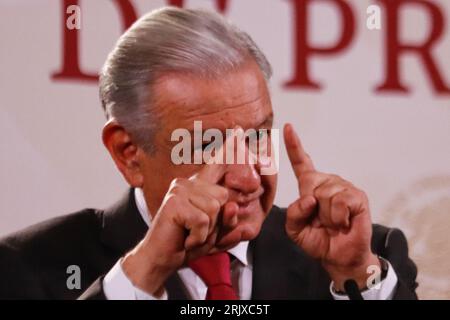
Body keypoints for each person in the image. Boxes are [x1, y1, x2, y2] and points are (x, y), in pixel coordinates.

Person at [0, 7, 417, 300]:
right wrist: (141, 276)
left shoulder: (365, 257)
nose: (250, 178)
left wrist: (355, 278)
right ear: (129, 153)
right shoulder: (29, 267)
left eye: (257, 136)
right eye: (208, 145)